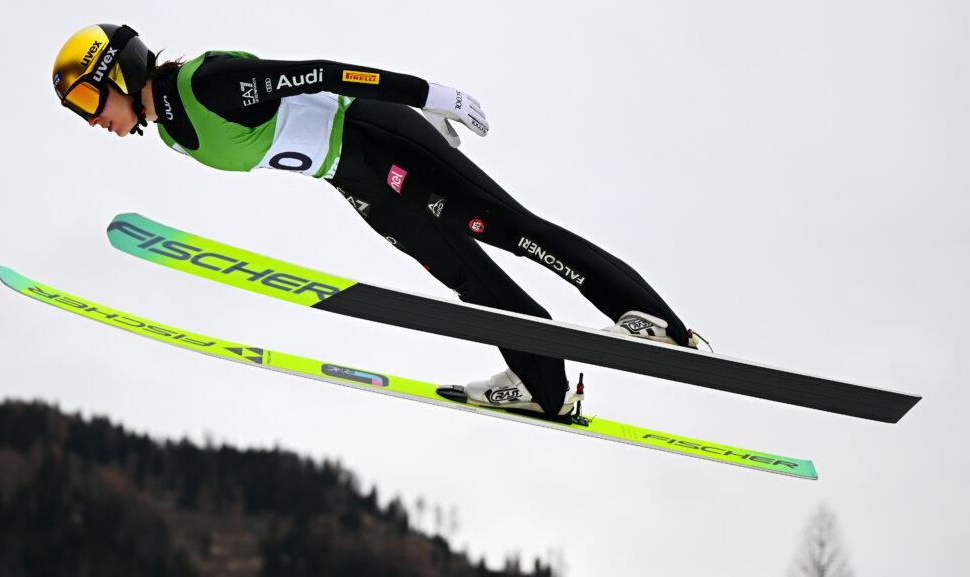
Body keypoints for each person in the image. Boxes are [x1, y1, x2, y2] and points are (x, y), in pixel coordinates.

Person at [51, 23, 699, 419]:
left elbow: (324, 73)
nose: (93, 122)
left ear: (120, 69)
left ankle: (652, 320)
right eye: (79, 114)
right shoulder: (173, 131)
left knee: (510, 229)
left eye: (87, 100)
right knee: (467, 280)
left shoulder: (206, 86)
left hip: (378, 136)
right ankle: (546, 386)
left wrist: (427, 96)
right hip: (352, 177)